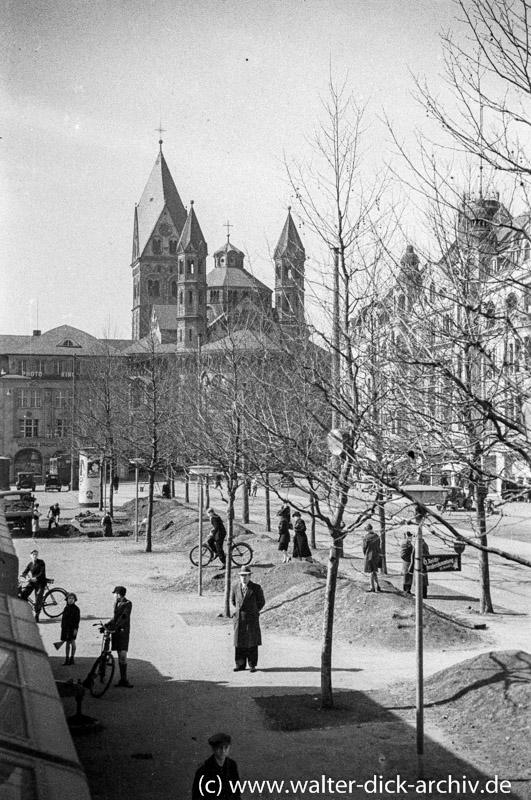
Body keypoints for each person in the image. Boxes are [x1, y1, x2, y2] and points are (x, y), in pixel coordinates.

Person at [230, 567, 265, 672]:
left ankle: (252, 664)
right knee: (239, 641)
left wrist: (253, 611)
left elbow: (261, 602)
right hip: (239, 618)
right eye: (242, 575)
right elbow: (233, 601)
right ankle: (240, 664)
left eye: (245, 575)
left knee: (252, 642)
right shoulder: (235, 586)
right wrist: (239, 611)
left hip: (251, 618)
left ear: (250, 576)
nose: (243, 578)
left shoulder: (256, 588)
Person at [192, 732, 241, 800]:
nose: (223, 751)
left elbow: (236, 791)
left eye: (226, 747)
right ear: (213, 749)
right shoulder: (203, 770)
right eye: (220, 748)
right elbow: (197, 797)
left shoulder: (232, 765)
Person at [106, 585, 133, 687]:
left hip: (123, 632)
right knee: (119, 654)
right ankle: (122, 679)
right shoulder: (116, 603)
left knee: (123, 655)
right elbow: (115, 617)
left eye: (115, 594)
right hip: (116, 632)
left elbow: (124, 617)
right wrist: (108, 624)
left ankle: (124, 679)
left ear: (119, 594)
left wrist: (116, 625)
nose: (114, 595)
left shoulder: (127, 603)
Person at [19, 548, 47, 621]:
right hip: (33, 582)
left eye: (36, 554)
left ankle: (37, 615)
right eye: (33, 554)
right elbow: (25, 572)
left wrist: (36, 578)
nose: (35, 556)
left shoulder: (41, 562)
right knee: (23, 594)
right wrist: (24, 577)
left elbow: (42, 573)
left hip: (40, 582)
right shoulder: (30, 564)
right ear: (30, 555)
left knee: (38, 598)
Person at [61, 592, 80, 665]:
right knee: (67, 643)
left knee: (72, 642)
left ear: (75, 600)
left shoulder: (76, 609)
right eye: (69, 598)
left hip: (73, 628)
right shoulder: (66, 608)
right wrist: (63, 628)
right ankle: (67, 658)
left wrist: (74, 630)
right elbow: (63, 619)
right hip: (66, 628)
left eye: (72, 598)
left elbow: (77, 621)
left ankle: (71, 658)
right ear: (67, 599)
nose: (71, 600)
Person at [362, 523, 381, 592]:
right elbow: (379, 545)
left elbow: (364, 548)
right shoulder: (377, 536)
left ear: (367, 530)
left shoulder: (366, 537)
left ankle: (372, 587)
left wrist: (365, 554)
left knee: (371, 571)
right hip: (376, 555)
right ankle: (378, 585)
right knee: (374, 571)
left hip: (369, 555)